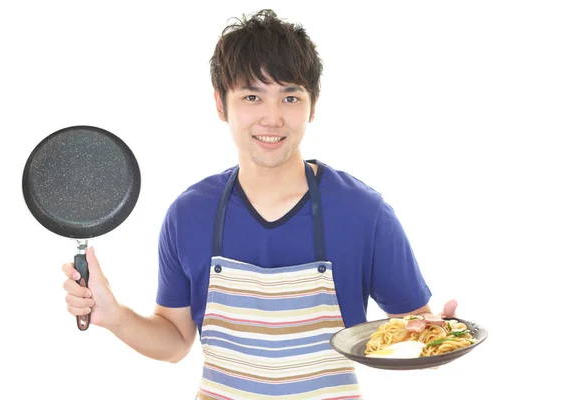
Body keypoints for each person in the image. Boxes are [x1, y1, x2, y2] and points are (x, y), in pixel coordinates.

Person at [62, 9, 457, 399]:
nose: (272, 118)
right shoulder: (189, 214)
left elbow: (416, 335)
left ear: (312, 105)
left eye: (290, 97)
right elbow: (176, 341)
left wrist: (443, 338)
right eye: (252, 96)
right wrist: (115, 318)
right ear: (221, 105)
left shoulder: (363, 212)